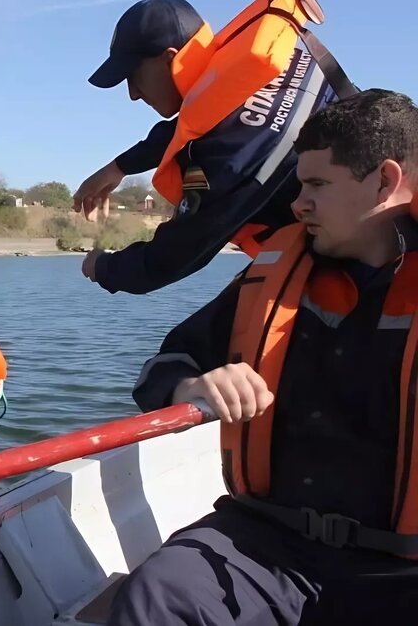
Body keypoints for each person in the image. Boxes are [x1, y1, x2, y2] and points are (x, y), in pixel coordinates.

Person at [108, 89, 418, 624]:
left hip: (404, 567)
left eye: (317, 185)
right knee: (156, 596)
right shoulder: (279, 270)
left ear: (386, 183)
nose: (298, 204)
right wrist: (190, 387)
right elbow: (165, 365)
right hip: (266, 542)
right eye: (300, 185)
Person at [74, 0, 355, 295]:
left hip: (376, 269)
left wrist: (100, 266)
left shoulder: (233, 154)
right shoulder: (277, 64)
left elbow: (168, 260)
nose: (133, 95)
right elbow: (202, 120)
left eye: (134, 77)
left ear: (169, 58)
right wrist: (121, 166)